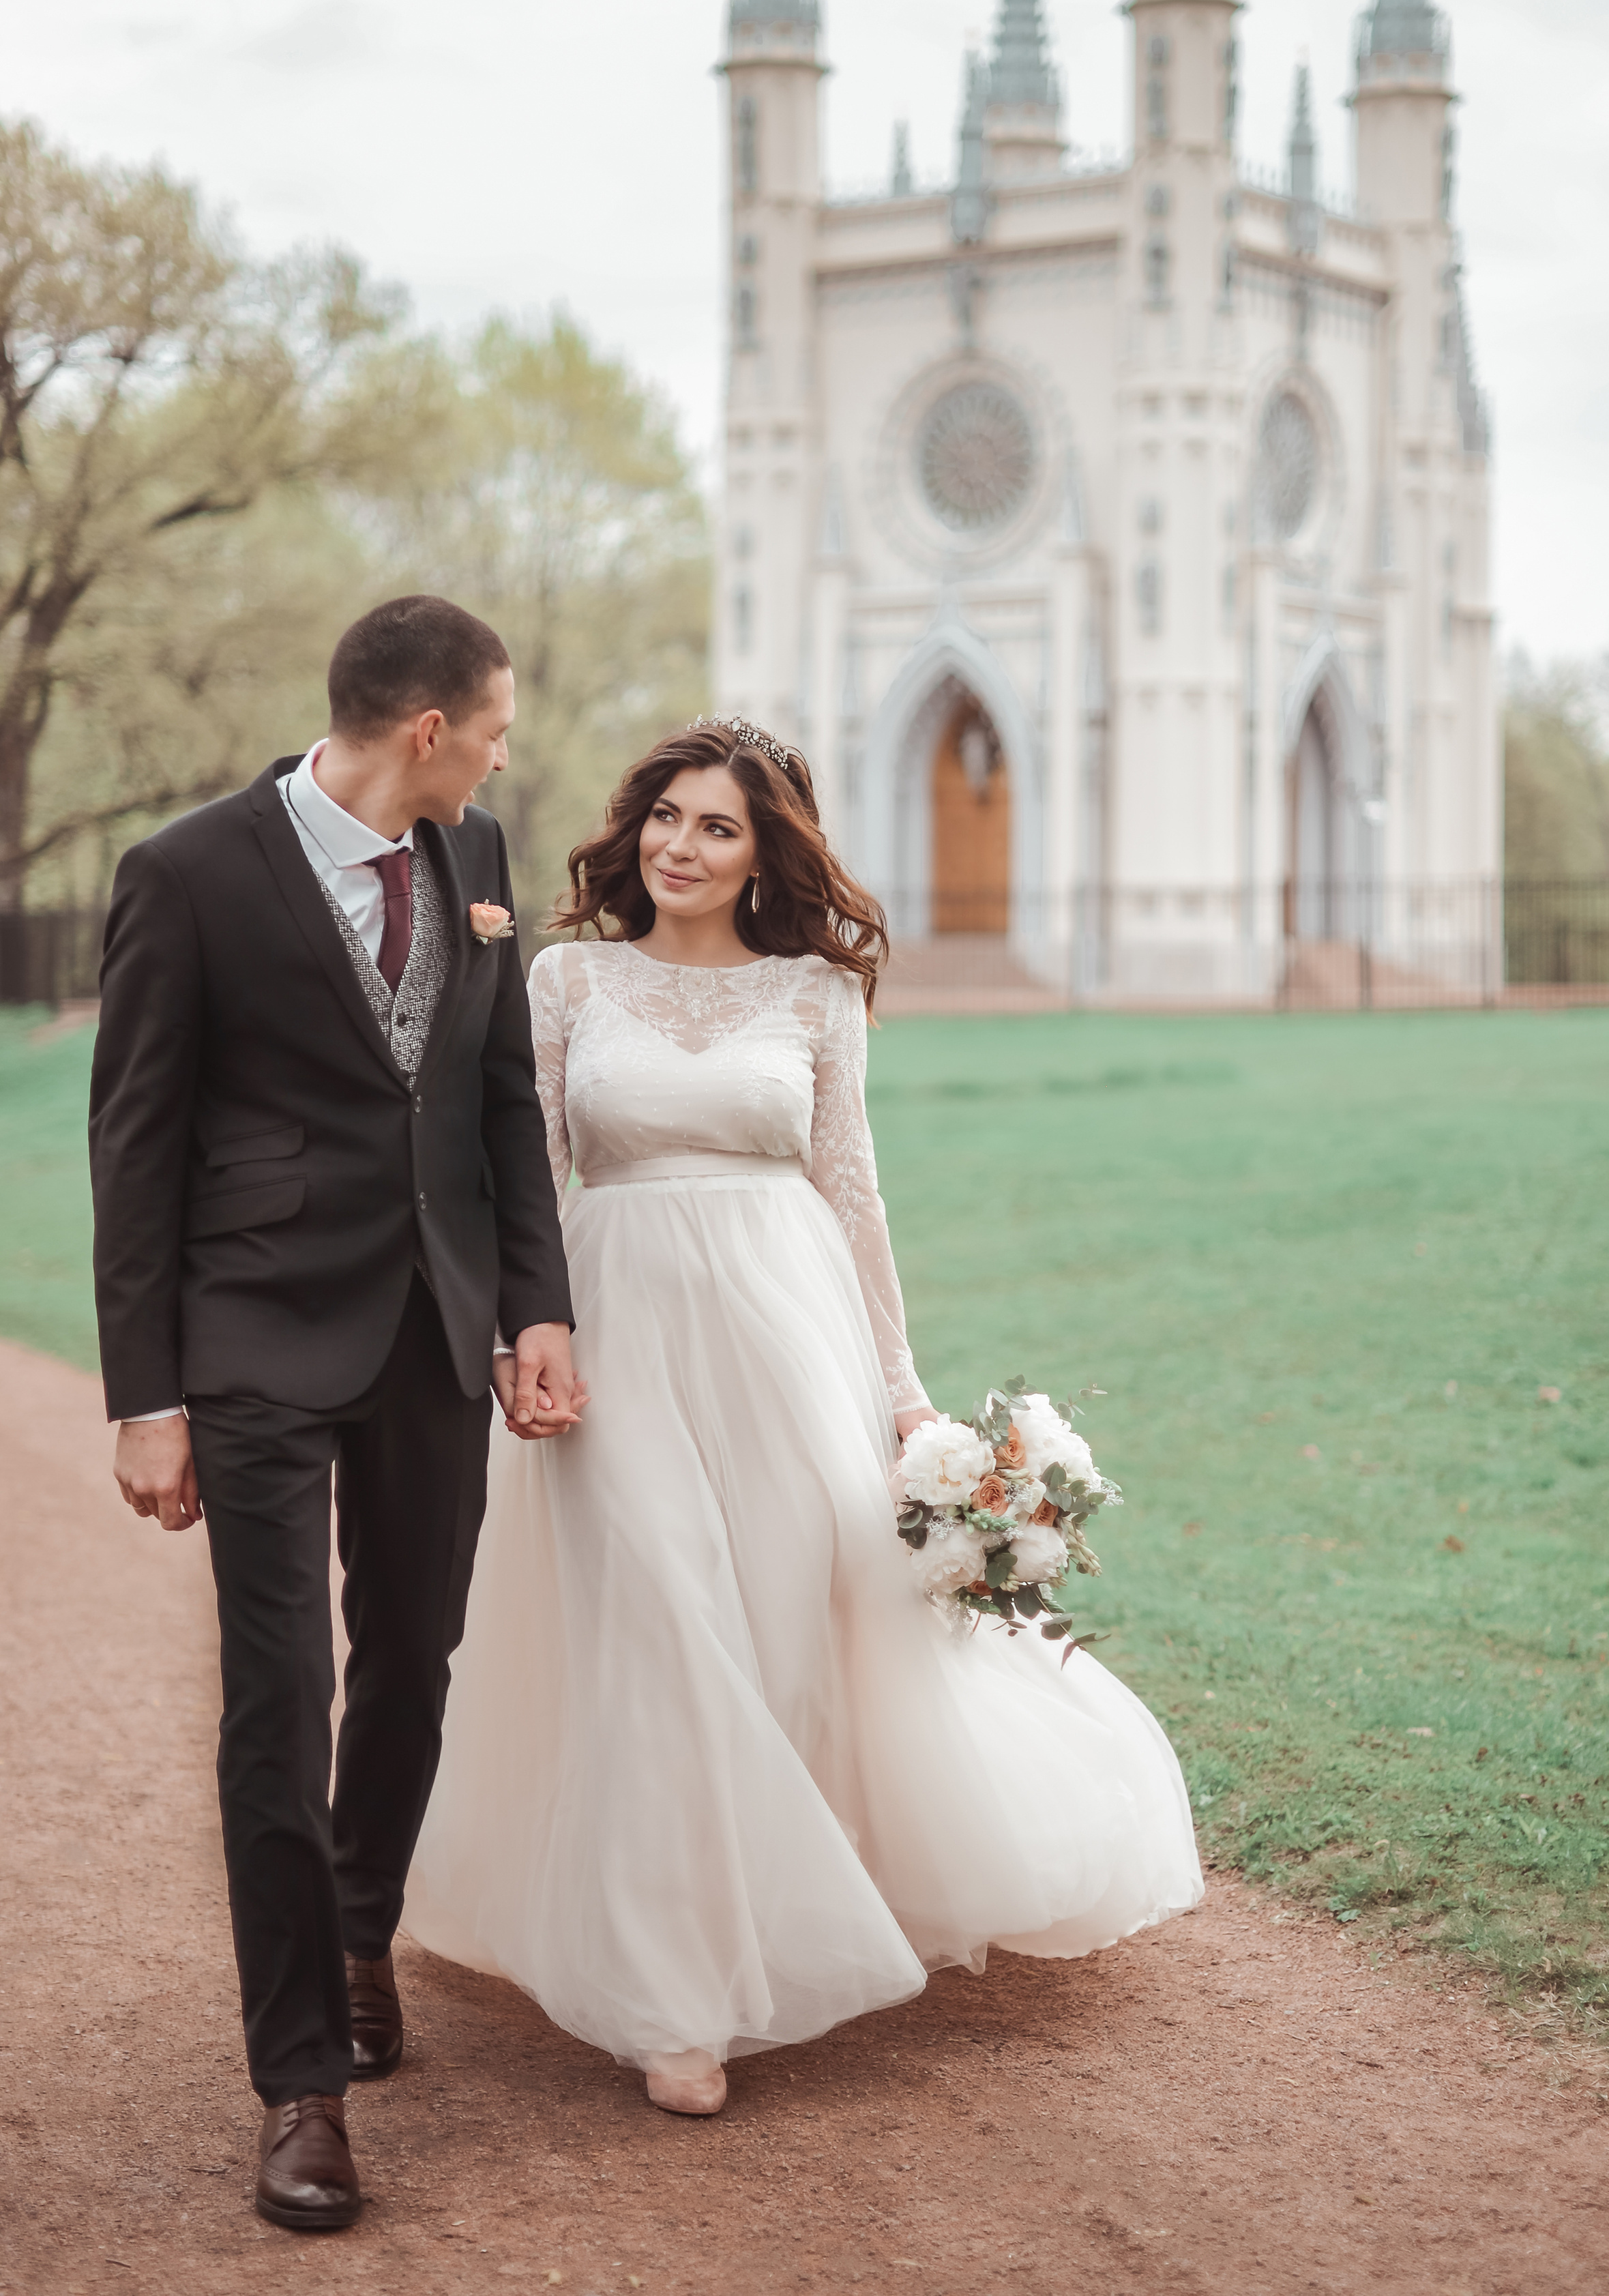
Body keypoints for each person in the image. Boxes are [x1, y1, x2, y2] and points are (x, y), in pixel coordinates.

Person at [405, 716, 1202, 2117]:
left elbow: (853, 1197)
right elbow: (524, 1175)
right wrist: (518, 1335)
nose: (682, 846)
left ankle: (775, 1914)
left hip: (787, 1341)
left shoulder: (817, 996)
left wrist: (902, 1393)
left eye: (718, 826)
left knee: (780, 1636)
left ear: (764, 854)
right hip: (614, 1334)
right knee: (658, 1625)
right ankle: (676, 1997)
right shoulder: (570, 978)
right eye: (666, 816)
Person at [89, 595, 581, 2233]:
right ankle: (299, 2083)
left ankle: (361, 1922)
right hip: (251, 1334)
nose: (501, 755)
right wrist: (146, 1393)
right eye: (492, 729)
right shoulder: (186, 875)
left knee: (414, 1658)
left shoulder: (476, 850)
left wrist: (532, 1305)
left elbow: (499, 1098)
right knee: (277, 1698)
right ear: (426, 729)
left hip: (434, 1325)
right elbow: (135, 1144)